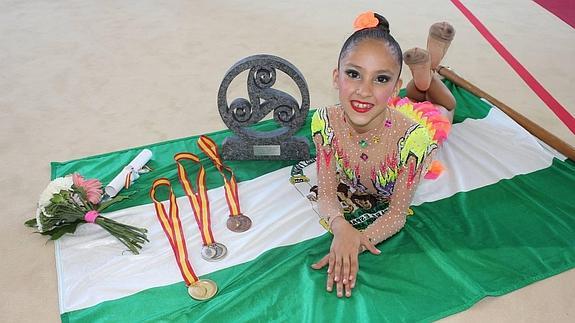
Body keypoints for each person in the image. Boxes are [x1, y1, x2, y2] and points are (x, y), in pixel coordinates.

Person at [310, 11, 456, 298]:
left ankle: (431, 70)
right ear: (336, 77)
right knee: (414, 95)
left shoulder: (415, 142)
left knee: (444, 106)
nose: (363, 90)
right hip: (385, 111)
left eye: (381, 78)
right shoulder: (325, 122)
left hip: (420, 123)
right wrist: (341, 228)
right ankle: (423, 74)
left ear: (393, 86)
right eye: (354, 74)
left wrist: (358, 241)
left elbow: (397, 214)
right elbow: (326, 195)